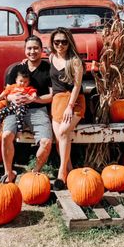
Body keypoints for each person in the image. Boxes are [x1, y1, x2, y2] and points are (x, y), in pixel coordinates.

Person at [1, 36, 53, 183]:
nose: (32, 51)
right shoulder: (17, 69)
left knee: (46, 142)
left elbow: (52, 95)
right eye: (29, 48)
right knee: (5, 136)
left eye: (36, 48)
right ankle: (8, 172)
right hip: (15, 108)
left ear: (41, 50)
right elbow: (6, 92)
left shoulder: (48, 69)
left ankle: (34, 172)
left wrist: (35, 99)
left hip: (38, 110)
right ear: (25, 50)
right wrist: (12, 98)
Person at [49, 27, 86, 191]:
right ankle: (70, 170)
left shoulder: (75, 61)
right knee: (60, 139)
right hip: (57, 101)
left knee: (63, 132)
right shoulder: (51, 57)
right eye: (57, 41)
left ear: (69, 42)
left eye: (64, 41)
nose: (60, 45)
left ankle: (61, 173)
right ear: (52, 43)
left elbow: (77, 86)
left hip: (74, 100)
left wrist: (70, 107)